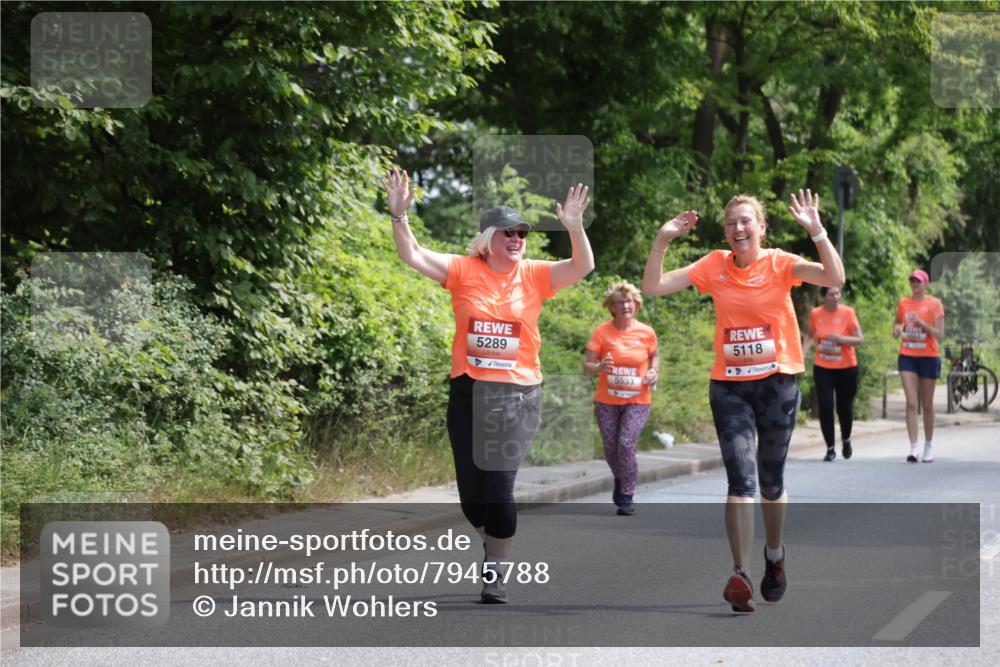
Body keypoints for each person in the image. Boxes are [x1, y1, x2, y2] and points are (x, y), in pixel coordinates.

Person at [383, 168, 594, 604]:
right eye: (509, 233)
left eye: (522, 234)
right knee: (471, 501)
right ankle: (492, 541)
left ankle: (496, 571)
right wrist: (399, 217)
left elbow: (582, 266)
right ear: (489, 239)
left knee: (498, 489)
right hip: (468, 393)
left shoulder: (535, 275)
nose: (518, 240)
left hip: (517, 394)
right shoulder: (463, 270)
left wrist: (573, 227)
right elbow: (413, 255)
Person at [641, 190, 844, 613]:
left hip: (777, 385)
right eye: (732, 222)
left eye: (746, 221)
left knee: (771, 484)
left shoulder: (781, 263)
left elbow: (834, 278)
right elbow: (654, 287)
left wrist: (818, 231)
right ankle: (740, 574)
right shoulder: (714, 265)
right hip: (730, 386)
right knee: (740, 482)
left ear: (761, 228)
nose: (738, 228)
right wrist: (662, 240)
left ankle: (774, 556)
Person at [583, 281, 659, 516]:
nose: (626, 305)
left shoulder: (646, 332)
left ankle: (627, 493)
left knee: (625, 443)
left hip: (638, 399)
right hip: (607, 399)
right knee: (610, 447)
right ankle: (621, 475)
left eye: (630, 301)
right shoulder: (602, 332)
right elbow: (587, 366)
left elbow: (654, 355)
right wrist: (599, 367)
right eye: (620, 302)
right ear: (611, 307)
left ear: (636, 304)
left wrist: (654, 370)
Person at [803, 286, 864, 461]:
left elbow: (859, 339)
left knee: (845, 407)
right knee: (826, 407)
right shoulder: (816, 314)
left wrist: (841, 339)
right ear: (824, 297)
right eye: (831, 294)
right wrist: (802, 354)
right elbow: (810, 336)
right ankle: (830, 447)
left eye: (838, 293)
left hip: (846, 367)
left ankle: (846, 439)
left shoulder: (848, 313)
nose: (836, 297)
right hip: (823, 367)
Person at [893, 269, 945, 463]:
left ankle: (928, 445)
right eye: (912, 281)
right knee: (911, 402)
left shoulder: (935, 304)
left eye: (919, 281)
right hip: (908, 355)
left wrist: (922, 324)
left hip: (929, 356)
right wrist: (897, 330)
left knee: (928, 405)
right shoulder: (903, 303)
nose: (915, 284)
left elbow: (940, 335)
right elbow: (897, 324)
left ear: (926, 284)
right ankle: (913, 448)